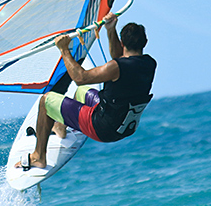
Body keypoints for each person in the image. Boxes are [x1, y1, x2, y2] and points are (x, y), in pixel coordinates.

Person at [18, 12, 156, 172]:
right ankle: (60, 127)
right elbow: (121, 58)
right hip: (125, 126)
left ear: (122, 42)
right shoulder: (149, 63)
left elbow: (80, 77)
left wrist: (64, 50)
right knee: (82, 92)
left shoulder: (116, 67)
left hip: (102, 128)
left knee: (46, 101)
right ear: (145, 42)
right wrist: (111, 29)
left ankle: (38, 157)